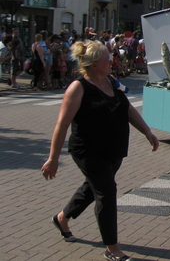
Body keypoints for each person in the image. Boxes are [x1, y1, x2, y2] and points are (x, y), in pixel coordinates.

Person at [41, 40, 159, 261]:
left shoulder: (111, 81)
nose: (112, 61)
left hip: (113, 150)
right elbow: (62, 125)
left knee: (91, 188)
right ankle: (112, 249)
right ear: (95, 64)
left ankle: (62, 218)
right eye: (107, 58)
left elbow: (127, 108)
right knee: (106, 193)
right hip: (88, 151)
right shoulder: (78, 88)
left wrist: (147, 131)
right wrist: (53, 158)